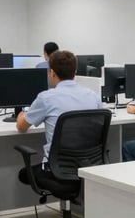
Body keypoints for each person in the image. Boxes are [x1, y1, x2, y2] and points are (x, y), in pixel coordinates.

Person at [16, 50, 103, 184]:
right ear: (75, 72)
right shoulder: (93, 96)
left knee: (23, 174)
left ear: (52, 73)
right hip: (89, 165)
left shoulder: (46, 98)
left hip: (56, 169)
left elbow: (21, 127)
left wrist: (22, 113)